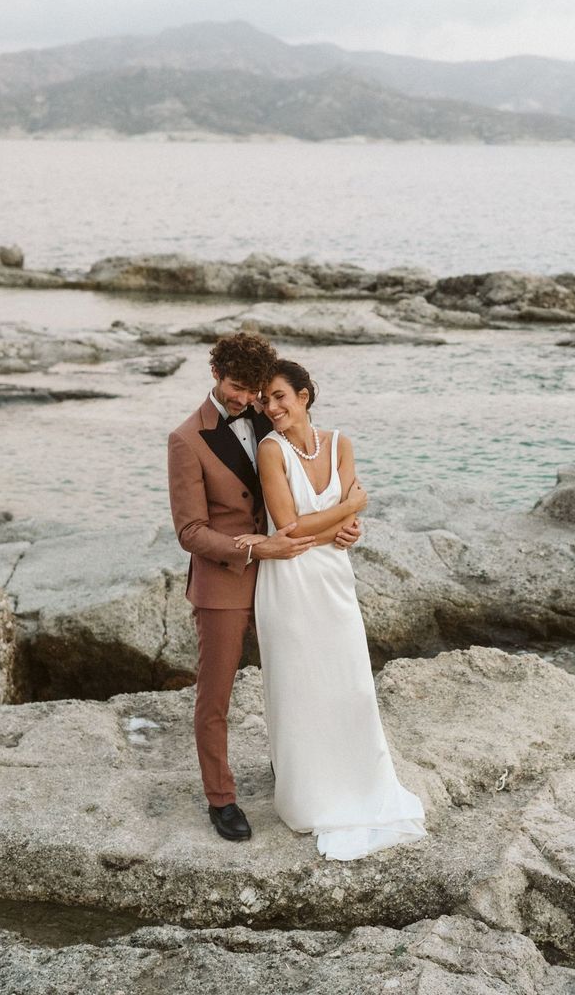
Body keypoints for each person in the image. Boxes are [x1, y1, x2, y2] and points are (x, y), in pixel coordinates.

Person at [166, 333, 361, 844]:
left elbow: (302, 483)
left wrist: (341, 526)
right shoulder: (186, 439)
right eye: (236, 388)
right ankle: (221, 798)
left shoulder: (266, 416)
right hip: (225, 582)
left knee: (293, 677)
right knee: (216, 696)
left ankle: (293, 771)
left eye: (253, 390)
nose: (245, 399)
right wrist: (255, 549)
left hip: (288, 577)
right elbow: (189, 531)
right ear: (215, 375)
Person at [236, 359, 427, 861]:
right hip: (290, 582)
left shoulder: (341, 443)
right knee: (300, 683)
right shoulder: (269, 450)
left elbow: (307, 529)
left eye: (279, 397)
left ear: (304, 396)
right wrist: (350, 511)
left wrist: (344, 527)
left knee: (349, 681)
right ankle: (308, 794)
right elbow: (289, 528)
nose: (270, 408)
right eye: (264, 400)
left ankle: (360, 782)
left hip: (334, 578)